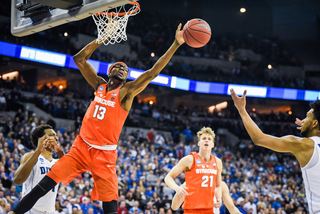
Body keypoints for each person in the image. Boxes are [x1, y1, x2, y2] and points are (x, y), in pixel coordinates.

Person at [11, 23, 185, 214]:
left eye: (125, 70)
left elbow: (153, 72)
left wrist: (176, 44)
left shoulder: (126, 92)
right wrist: (102, 38)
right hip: (81, 148)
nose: (122, 69)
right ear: (109, 72)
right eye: (118, 67)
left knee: (110, 205)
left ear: (127, 78)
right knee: (42, 187)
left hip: (105, 155)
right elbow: (79, 59)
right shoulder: (99, 86)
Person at [230, 88, 320, 214]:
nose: (303, 119)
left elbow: (259, 138)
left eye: (307, 117)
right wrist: (308, 126)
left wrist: (241, 110)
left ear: (315, 123)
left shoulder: (303, 145)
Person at [164, 127, 223, 214]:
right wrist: (177, 188)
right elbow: (168, 177)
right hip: (191, 210)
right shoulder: (189, 159)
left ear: (213, 144)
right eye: (204, 138)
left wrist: (219, 197)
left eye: (209, 139)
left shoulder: (217, 162)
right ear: (199, 143)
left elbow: (218, 185)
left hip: (209, 210)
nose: (206, 140)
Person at [13, 124, 63, 214]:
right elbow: (17, 180)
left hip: (50, 211)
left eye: (56, 136)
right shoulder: (30, 156)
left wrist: (60, 152)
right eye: (52, 135)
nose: (56, 138)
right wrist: (38, 150)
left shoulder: (57, 162)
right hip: (31, 210)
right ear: (41, 139)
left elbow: (69, 173)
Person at [171, 181, 241, 214]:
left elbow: (232, 208)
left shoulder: (221, 185)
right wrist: (179, 192)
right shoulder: (190, 182)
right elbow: (174, 207)